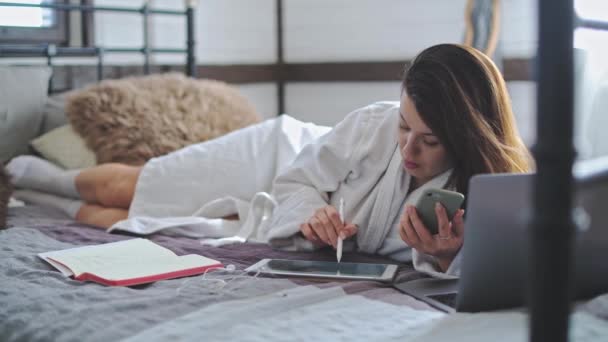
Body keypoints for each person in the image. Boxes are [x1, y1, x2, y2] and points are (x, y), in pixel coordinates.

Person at [7, 44, 531, 277]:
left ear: (466, 136)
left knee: (136, 224)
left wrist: (442, 256)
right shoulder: (374, 123)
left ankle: (31, 201)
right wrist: (311, 210)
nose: (407, 149)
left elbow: (468, 271)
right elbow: (298, 180)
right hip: (279, 160)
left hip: (283, 230)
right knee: (137, 188)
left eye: (429, 140)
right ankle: (38, 173)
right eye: (403, 126)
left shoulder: (486, 191)